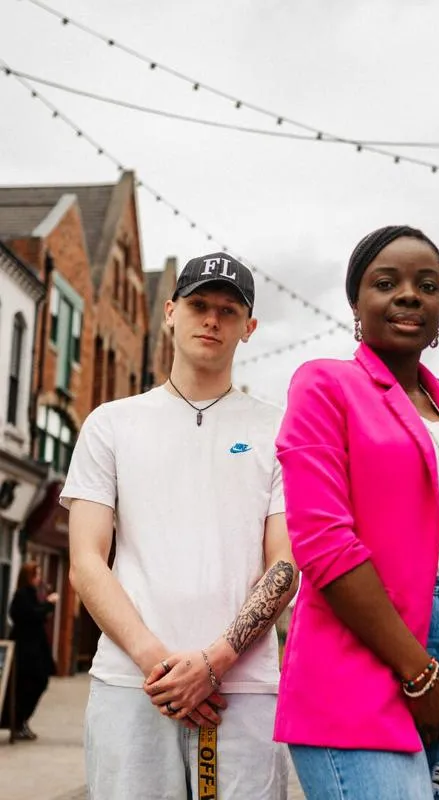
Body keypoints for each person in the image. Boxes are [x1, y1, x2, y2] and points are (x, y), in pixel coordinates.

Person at [275, 226, 439, 800]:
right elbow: (325, 546)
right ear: (357, 303)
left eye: (427, 286)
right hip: (359, 671)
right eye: (387, 283)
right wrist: (418, 672)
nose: (410, 295)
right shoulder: (325, 386)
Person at [61, 252, 298, 800]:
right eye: (197, 305)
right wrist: (159, 665)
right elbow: (86, 562)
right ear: (170, 312)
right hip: (132, 684)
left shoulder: (277, 428)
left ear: (249, 327)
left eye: (228, 310)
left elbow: (284, 564)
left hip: (242, 691)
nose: (211, 320)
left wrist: (215, 663)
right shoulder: (112, 423)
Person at [5, 561, 58, 741]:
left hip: (35, 647)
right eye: (36, 575)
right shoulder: (22, 595)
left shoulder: (31, 594)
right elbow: (30, 615)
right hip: (26, 650)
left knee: (38, 682)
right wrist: (48, 605)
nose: (39, 579)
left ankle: (22, 720)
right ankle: (19, 720)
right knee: (27, 685)